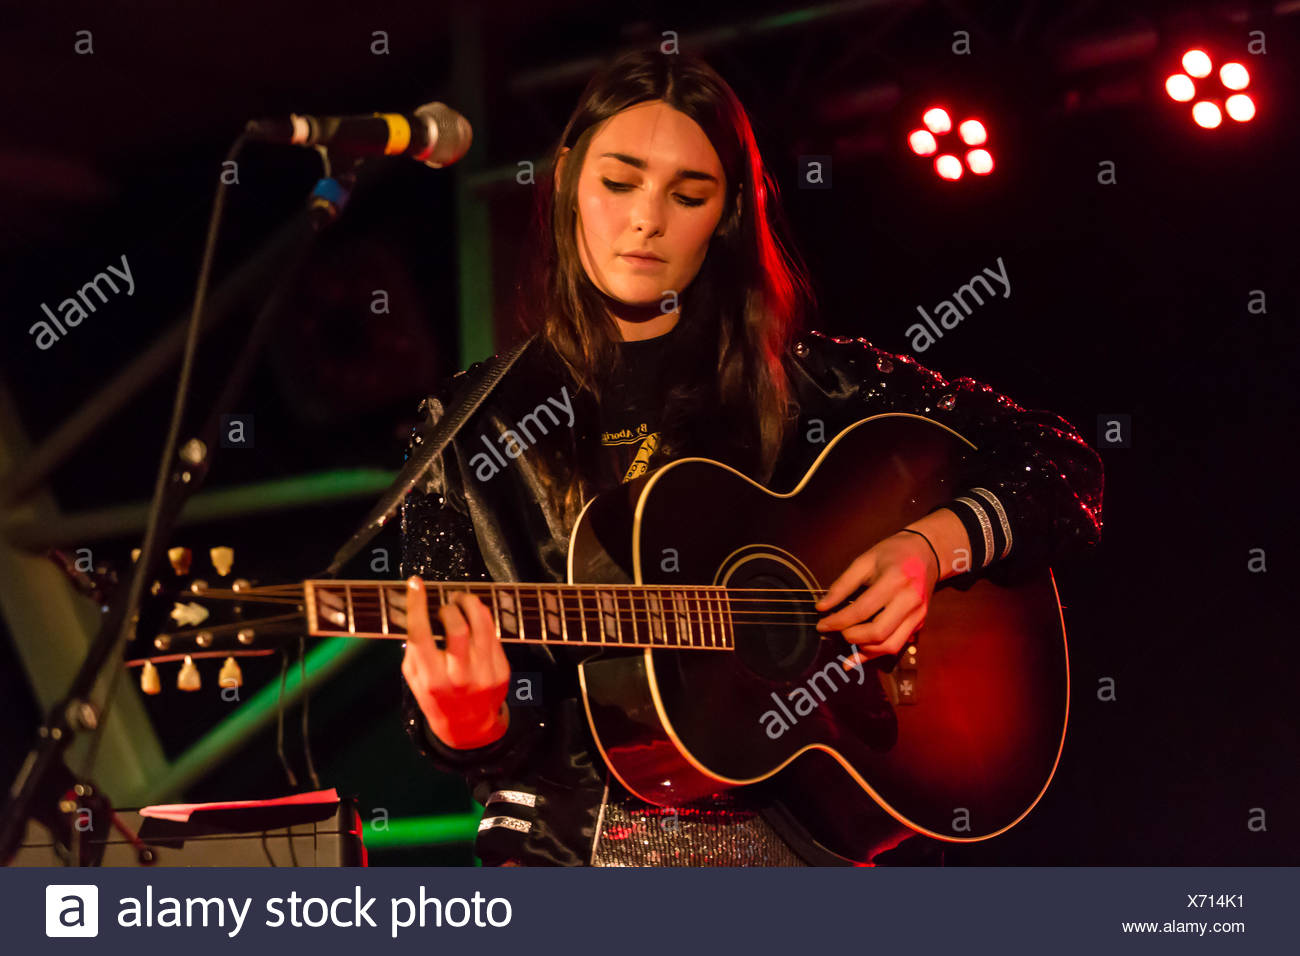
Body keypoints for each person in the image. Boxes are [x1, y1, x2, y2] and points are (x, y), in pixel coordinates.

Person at [397, 49, 1103, 866]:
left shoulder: (814, 382)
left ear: (729, 212)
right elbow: (473, 718)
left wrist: (925, 548)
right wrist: (468, 720)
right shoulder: (468, 428)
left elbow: (1060, 464)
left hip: (818, 844)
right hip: (579, 851)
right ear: (566, 183)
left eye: (688, 194)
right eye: (619, 182)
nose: (647, 219)